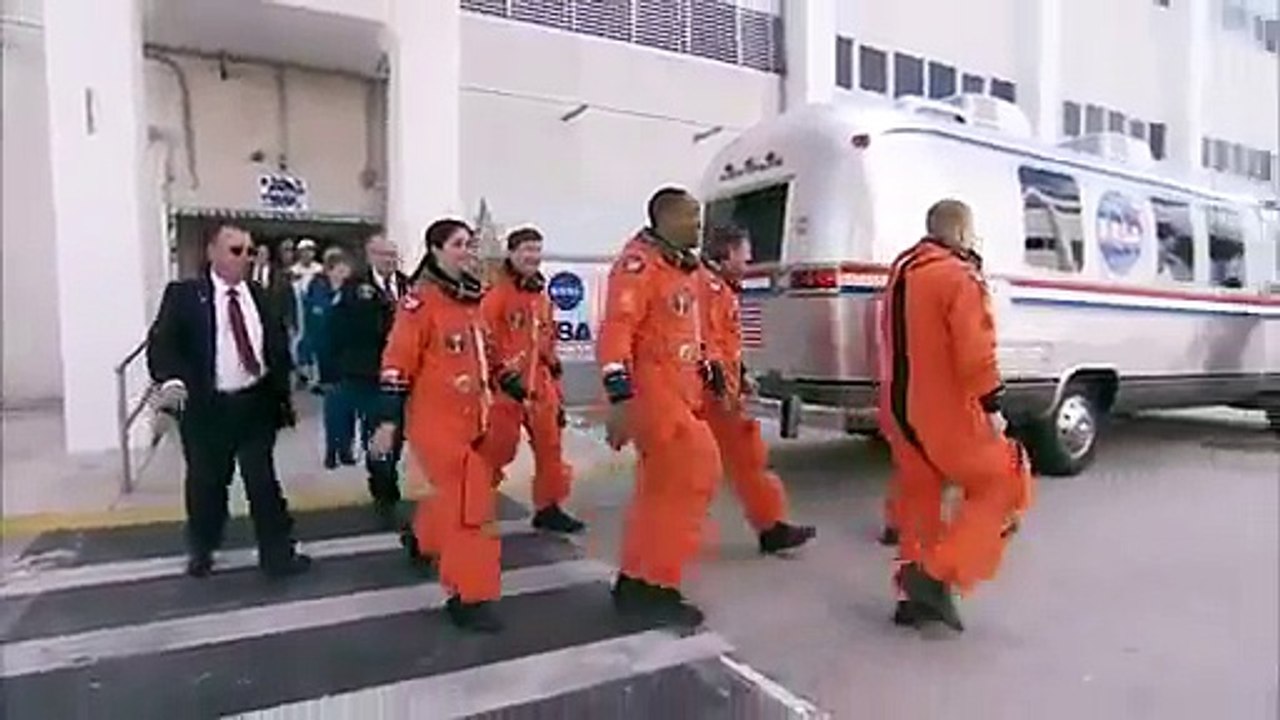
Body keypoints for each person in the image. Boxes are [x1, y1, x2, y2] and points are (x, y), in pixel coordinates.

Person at [880, 199, 1034, 632]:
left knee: (919, 501)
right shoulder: (958, 277)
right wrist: (993, 405)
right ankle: (936, 575)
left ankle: (912, 598)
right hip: (943, 411)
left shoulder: (902, 272)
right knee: (1004, 481)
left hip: (898, 408)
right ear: (963, 232)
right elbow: (975, 350)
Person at [369, 219, 526, 633]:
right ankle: (468, 596)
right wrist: (387, 421)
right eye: (459, 244)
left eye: (469, 244)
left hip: (473, 417)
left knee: (457, 498)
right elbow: (396, 364)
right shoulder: (419, 304)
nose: (467, 251)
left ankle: (422, 541)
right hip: (435, 423)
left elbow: (485, 351)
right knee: (472, 503)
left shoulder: (472, 301)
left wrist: (511, 380)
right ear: (436, 249)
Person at [146, 223, 311, 579]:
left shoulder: (260, 295)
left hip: (254, 405)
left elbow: (276, 345)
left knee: (263, 483)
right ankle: (203, 546)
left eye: (250, 252)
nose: (246, 258)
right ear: (213, 253)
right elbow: (163, 344)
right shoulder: (185, 295)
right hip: (209, 409)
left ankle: (278, 555)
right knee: (207, 484)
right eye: (236, 250)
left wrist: (282, 392)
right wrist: (172, 381)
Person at [597, 186, 722, 626]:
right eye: (691, 216)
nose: (698, 225)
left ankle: (637, 581)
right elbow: (617, 330)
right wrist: (619, 395)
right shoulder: (639, 265)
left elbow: (684, 329)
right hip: (655, 397)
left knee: (660, 493)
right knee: (690, 479)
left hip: (679, 393)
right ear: (666, 218)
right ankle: (657, 585)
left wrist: (709, 367)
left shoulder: (680, 268)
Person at [698, 225, 816, 554]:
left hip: (724, 390)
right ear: (727, 253)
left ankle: (771, 527)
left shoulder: (720, 288)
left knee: (750, 459)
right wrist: (721, 386)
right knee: (694, 470)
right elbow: (704, 344)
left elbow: (725, 344)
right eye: (744, 256)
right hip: (710, 394)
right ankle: (667, 547)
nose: (748, 263)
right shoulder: (705, 288)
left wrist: (742, 374)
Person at [480, 226, 585, 534]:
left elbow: (547, 340)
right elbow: (484, 340)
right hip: (506, 387)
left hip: (540, 385)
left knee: (551, 448)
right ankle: (472, 503)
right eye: (526, 250)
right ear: (512, 253)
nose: (532, 257)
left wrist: (556, 386)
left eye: (537, 250)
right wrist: (501, 375)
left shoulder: (540, 296)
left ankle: (548, 507)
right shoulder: (496, 294)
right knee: (498, 449)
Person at [329, 232, 411, 527]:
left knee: (394, 433)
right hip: (366, 374)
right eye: (383, 255)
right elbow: (338, 328)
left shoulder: (407, 285)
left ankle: (386, 478)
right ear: (371, 256)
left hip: (399, 375)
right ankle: (383, 489)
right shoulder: (354, 287)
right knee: (376, 434)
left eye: (393, 256)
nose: (389, 261)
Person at [312, 249, 357, 469]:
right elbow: (315, 323)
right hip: (327, 357)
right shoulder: (320, 292)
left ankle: (346, 449)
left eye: (345, 271)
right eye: (339, 270)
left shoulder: (353, 294)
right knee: (332, 408)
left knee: (348, 406)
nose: (342, 275)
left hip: (348, 357)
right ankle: (331, 450)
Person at [292, 238, 324, 388]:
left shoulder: (319, 270)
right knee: (298, 340)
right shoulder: (293, 271)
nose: (307, 254)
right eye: (304, 251)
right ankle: (300, 373)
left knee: (316, 341)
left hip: (315, 310)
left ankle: (315, 376)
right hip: (298, 308)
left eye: (310, 251)